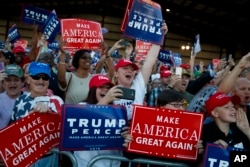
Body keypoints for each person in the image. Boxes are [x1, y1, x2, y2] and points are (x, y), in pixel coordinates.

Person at [122, 89, 203, 167]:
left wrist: (197, 153)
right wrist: (129, 144)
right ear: (161, 106)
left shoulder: (189, 129)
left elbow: (191, 163)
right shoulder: (146, 125)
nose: (181, 109)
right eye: (176, 105)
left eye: (183, 105)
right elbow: (131, 156)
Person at [9, 62, 63, 167]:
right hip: (23, 158)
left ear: (48, 82)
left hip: (47, 159)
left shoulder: (56, 100)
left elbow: (61, 130)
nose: (41, 81)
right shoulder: (21, 99)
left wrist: (48, 114)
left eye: (45, 78)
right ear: (28, 80)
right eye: (36, 77)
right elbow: (13, 127)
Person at [74, 74, 124, 167]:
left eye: (108, 88)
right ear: (92, 90)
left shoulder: (117, 111)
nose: (105, 90)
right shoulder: (81, 105)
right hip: (86, 163)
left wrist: (125, 135)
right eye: (101, 87)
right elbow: (85, 120)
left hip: (112, 163)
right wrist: (106, 99)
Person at [201, 91, 250, 165]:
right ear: (215, 113)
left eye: (233, 106)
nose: (233, 109)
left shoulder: (240, 129)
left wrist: (247, 130)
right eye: (226, 107)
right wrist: (211, 152)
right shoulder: (204, 132)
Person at [0, 64, 24, 130]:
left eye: (16, 80)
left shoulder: (30, 98)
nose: (12, 83)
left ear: (22, 82)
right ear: (2, 83)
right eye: (8, 80)